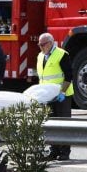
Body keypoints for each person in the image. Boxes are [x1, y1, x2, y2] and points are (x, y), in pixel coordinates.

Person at [37, 32, 73, 161]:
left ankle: (64, 152)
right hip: (47, 97)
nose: (41, 47)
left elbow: (68, 76)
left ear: (51, 43)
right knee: (50, 125)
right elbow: (42, 78)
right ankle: (54, 151)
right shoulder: (41, 56)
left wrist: (62, 92)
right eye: (39, 45)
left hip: (61, 96)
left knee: (63, 124)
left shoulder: (62, 54)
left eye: (43, 44)